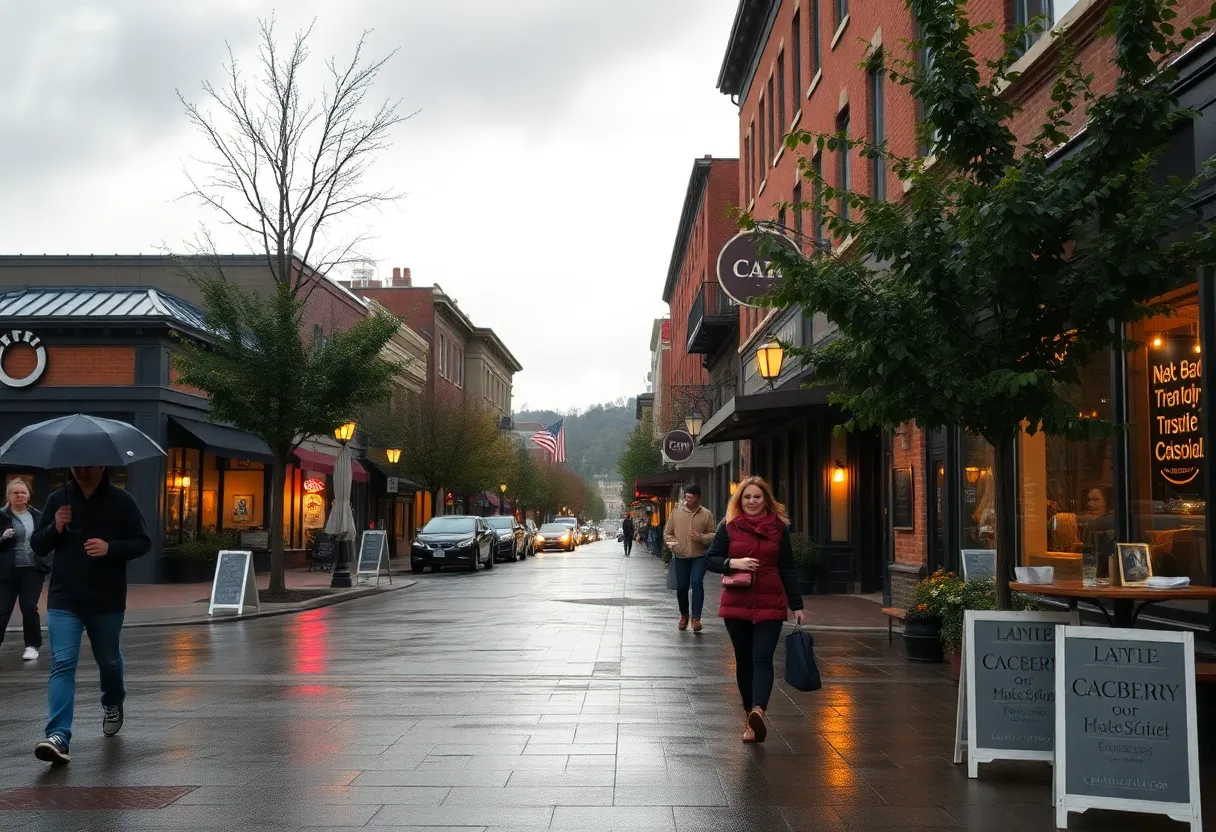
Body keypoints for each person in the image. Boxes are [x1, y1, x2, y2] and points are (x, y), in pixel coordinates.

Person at [29, 466, 151, 765]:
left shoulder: (122, 500)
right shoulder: (59, 499)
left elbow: (142, 541)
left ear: (102, 466)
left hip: (106, 599)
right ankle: (58, 735)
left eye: (88, 465)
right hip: (63, 598)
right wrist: (54, 527)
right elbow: (38, 545)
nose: (82, 471)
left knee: (108, 660)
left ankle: (112, 702)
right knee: (62, 662)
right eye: (77, 465)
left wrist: (111, 548)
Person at [704, 476, 805, 744]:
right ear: (740, 500)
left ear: (766, 500)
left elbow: (788, 568)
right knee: (744, 661)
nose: (751, 501)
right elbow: (710, 560)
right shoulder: (729, 527)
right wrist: (734, 562)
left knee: (762, 658)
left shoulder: (779, 529)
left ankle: (759, 709)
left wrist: (796, 605)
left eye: (757, 497)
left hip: (770, 601)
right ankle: (749, 716)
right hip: (737, 604)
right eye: (746, 497)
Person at [0, 478, 47, 663]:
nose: (19, 495)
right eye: (15, 492)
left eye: (23, 492)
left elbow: (46, 539)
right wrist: (1, 538)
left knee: (29, 608)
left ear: (28, 495)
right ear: (8, 496)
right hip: (6, 570)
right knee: (2, 610)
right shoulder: (1, 516)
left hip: (32, 569)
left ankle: (32, 646)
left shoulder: (37, 515)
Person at [663, 484, 716, 633]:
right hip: (681, 556)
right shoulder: (676, 513)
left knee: (697, 583)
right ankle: (684, 615)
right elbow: (668, 532)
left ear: (698, 497)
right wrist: (673, 546)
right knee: (682, 587)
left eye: (691, 495)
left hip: (699, 555)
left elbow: (713, 534)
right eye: (686, 495)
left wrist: (701, 537)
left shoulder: (706, 514)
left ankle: (696, 619)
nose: (688, 498)